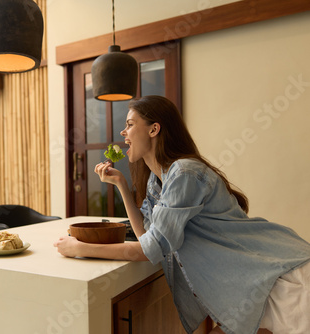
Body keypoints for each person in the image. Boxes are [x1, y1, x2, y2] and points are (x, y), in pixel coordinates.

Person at [54, 95, 310, 334]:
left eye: (130, 124)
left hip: (283, 279)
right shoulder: (158, 182)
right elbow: (148, 236)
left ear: (154, 129)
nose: (123, 133)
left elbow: (150, 249)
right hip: (254, 285)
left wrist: (81, 247)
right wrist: (121, 184)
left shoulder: (184, 173)